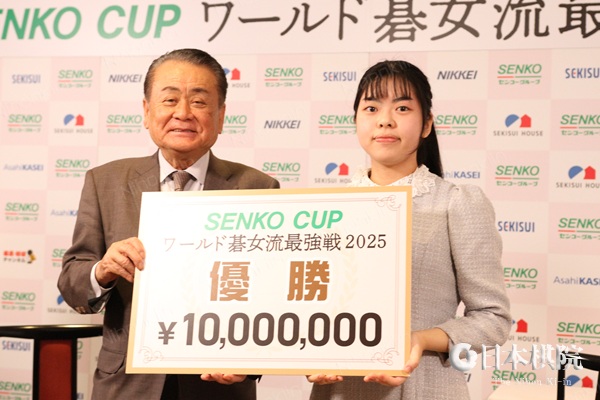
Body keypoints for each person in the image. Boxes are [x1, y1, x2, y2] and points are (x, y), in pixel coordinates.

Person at [58, 48, 279, 400]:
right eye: (170, 99)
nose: (183, 113)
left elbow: (273, 293)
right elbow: (72, 282)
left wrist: (248, 364)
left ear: (221, 116)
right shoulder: (105, 181)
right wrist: (102, 271)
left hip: (218, 384)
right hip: (126, 384)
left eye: (199, 102)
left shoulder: (257, 187)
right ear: (147, 111)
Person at [308, 60, 511, 399]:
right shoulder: (325, 211)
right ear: (356, 120)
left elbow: (493, 320)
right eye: (371, 108)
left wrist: (420, 339)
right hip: (338, 390)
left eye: (402, 108)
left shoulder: (456, 202)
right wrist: (309, 357)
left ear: (427, 124)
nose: (385, 120)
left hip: (424, 388)